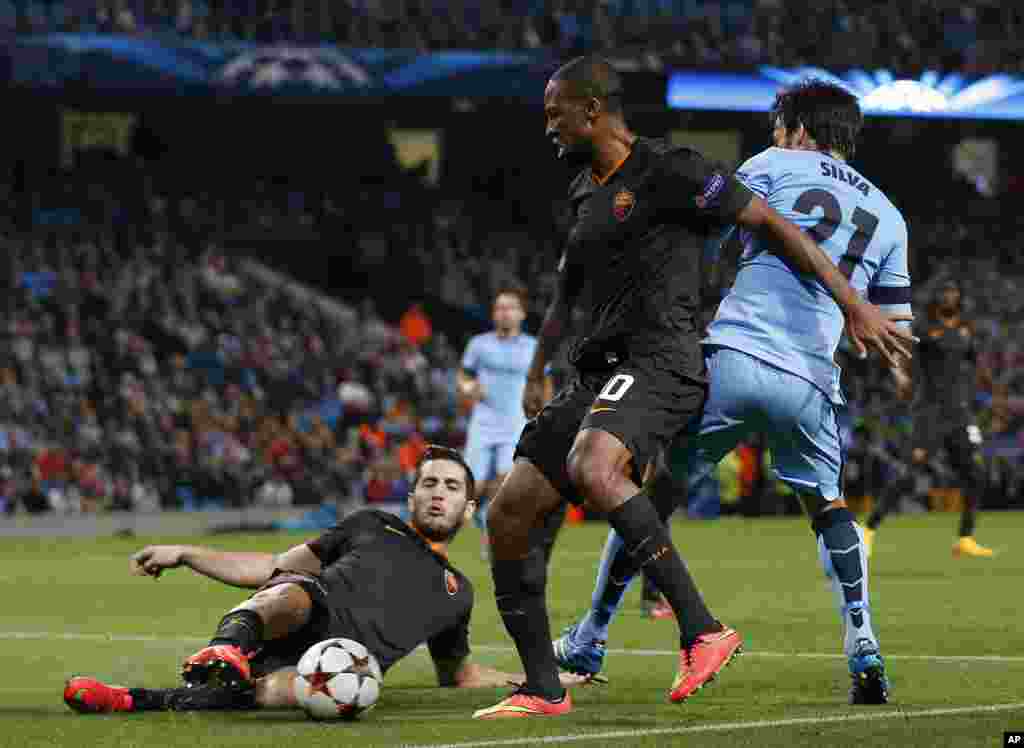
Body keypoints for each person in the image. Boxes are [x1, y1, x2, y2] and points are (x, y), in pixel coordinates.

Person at [474, 61, 913, 720]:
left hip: (712, 356)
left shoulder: (744, 166)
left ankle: (613, 635)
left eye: (778, 125)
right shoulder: (890, 214)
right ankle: (864, 644)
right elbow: (897, 329)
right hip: (802, 375)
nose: (775, 134)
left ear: (795, 128)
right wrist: (863, 323)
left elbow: (744, 225)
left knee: (630, 483)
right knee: (827, 507)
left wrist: (694, 291)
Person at [64, 446, 586, 715]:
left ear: (468, 508)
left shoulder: (458, 592)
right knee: (296, 589)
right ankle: (228, 646)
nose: (437, 493)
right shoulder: (371, 524)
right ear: (411, 497)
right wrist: (185, 553)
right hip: (303, 614)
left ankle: (129, 699)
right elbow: (272, 568)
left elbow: (460, 675)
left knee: (264, 694)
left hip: (340, 668)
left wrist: (540, 679)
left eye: (451, 487)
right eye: (429, 483)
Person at [864, 278, 995, 558]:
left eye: (953, 293)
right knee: (911, 473)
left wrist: (994, 395)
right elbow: (899, 351)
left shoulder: (965, 332)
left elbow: (977, 366)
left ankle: (965, 539)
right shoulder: (925, 330)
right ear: (937, 300)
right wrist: (899, 376)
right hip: (930, 412)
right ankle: (868, 529)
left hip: (959, 414)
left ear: (959, 298)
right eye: (945, 293)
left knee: (975, 474)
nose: (949, 297)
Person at [456, 286, 539, 554]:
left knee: (505, 481)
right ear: (493, 314)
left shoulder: (533, 347)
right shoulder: (478, 345)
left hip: (515, 422)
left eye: (510, 308)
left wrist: (543, 413)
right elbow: (463, 376)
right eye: (500, 308)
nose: (504, 313)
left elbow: (543, 382)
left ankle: (491, 534)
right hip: (483, 422)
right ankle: (484, 519)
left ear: (522, 313)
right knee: (473, 485)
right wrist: (468, 387)